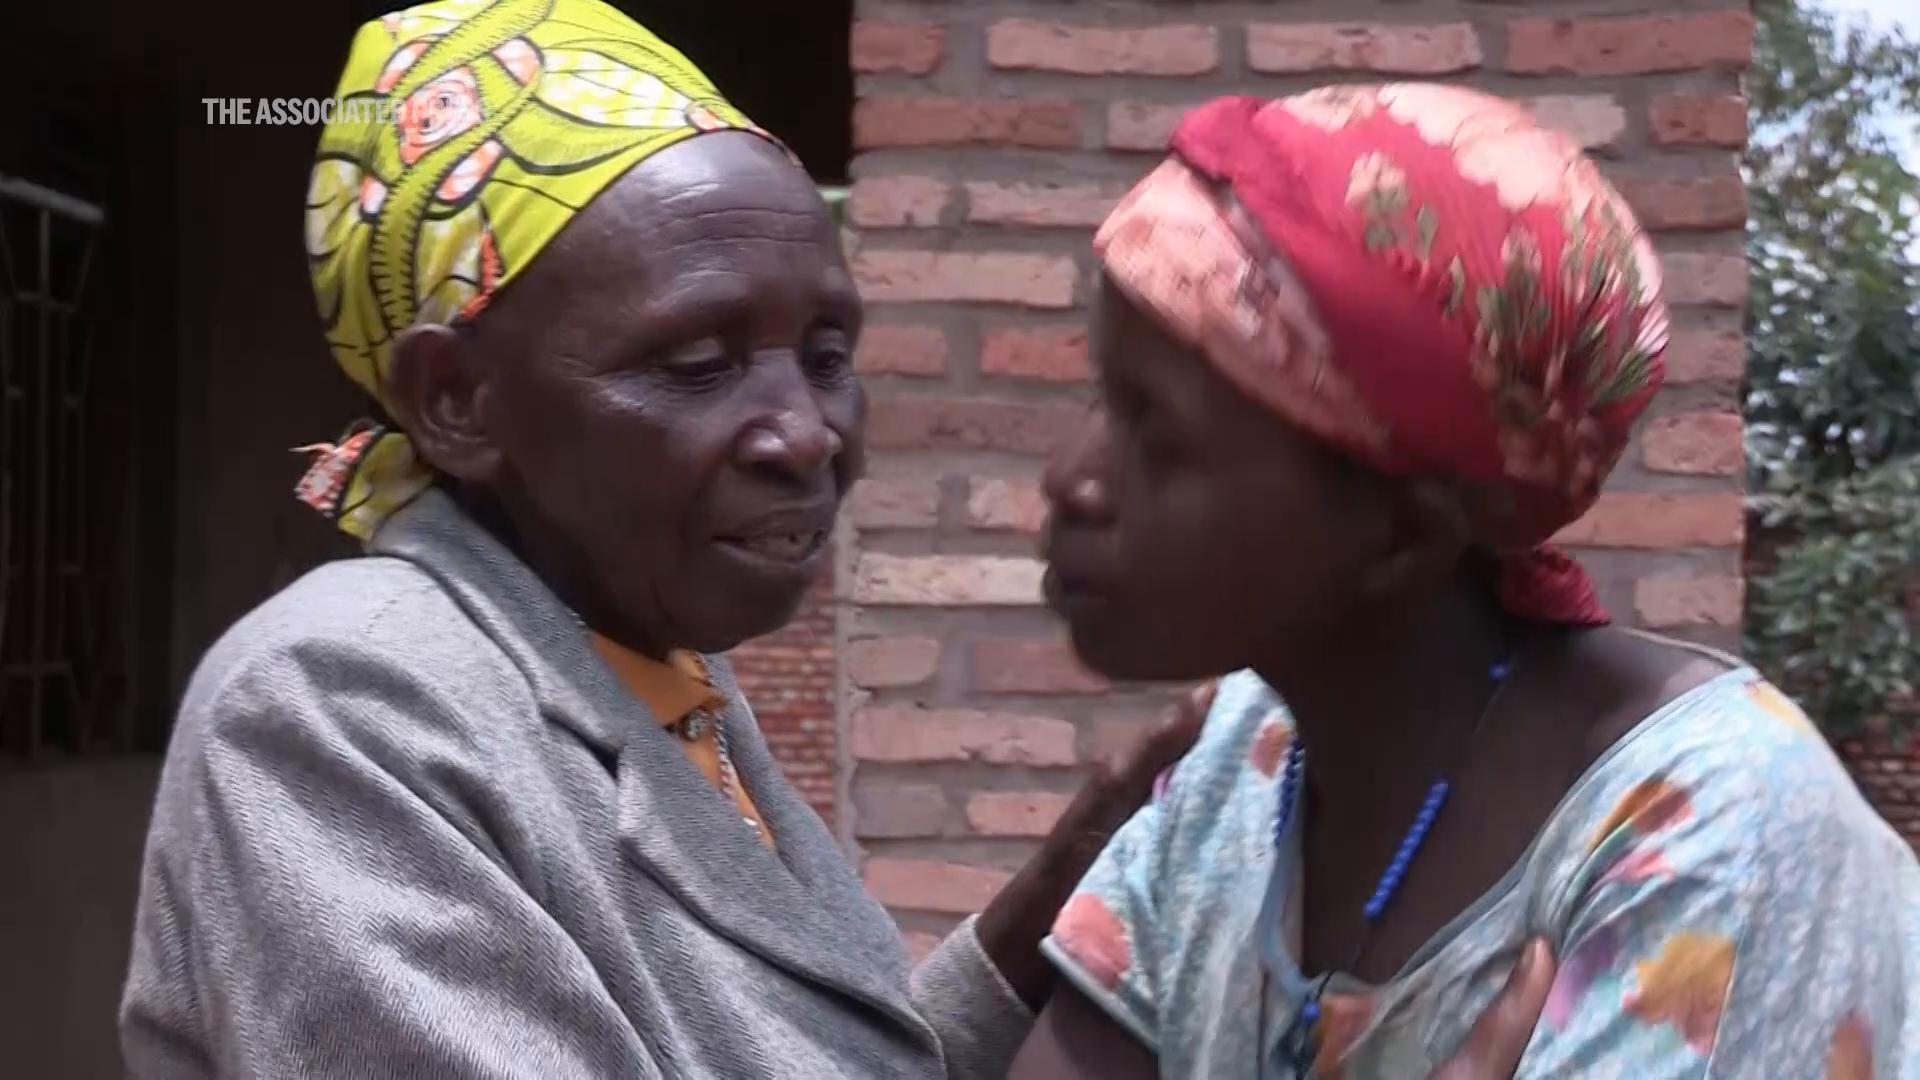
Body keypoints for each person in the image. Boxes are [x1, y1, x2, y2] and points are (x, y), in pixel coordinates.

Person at [116, 2, 1208, 1075]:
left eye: (827, 355)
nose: (805, 433)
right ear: (457, 400)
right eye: (697, 364)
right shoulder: (338, 701)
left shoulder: (654, 670)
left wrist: (1075, 873)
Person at [1012, 85, 1920, 1079]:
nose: (1073, 477)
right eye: (1105, 398)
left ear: (1405, 529)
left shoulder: (1711, 838)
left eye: (1159, 434)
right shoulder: (1245, 768)